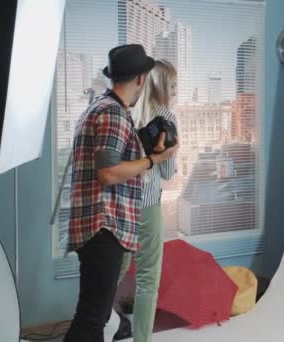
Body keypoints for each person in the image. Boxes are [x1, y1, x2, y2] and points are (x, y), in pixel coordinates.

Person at [63, 44, 178, 342]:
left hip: (96, 227)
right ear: (141, 79)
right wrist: (154, 160)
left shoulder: (100, 107)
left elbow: (111, 163)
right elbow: (108, 172)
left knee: (94, 316)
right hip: (105, 227)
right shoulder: (113, 113)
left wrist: (143, 151)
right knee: (91, 319)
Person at [118, 59, 179, 342]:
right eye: (174, 85)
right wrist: (171, 154)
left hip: (120, 205)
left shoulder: (124, 112)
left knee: (111, 274)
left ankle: (99, 328)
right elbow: (166, 172)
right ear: (162, 86)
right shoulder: (165, 116)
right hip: (148, 206)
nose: (176, 91)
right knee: (147, 281)